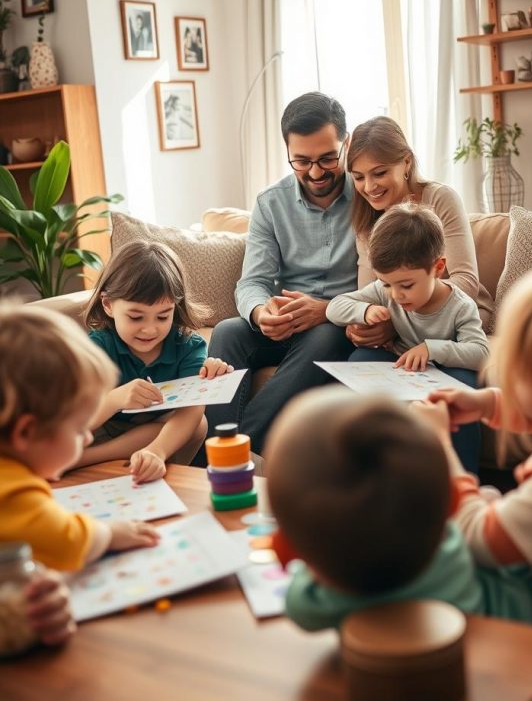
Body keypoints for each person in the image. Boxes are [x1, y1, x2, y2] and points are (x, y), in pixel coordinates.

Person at [264, 386, 532, 632]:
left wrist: (313, 556)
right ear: (452, 503)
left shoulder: (317, 602)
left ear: (285, 550)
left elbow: (295, 599)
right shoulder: (452, 548)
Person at [421, 258, 532, 631]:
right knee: (494, 499)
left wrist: (438, 447)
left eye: (519, 376)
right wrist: (486, 404)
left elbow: (476, 539)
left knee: (446, 565)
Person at [206, 92, 358, 456]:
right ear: (287, 152)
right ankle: (218, 448)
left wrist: (326, 308)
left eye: (327, 158)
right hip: (286, 322)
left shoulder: (369, 194)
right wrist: (261, 313)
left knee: (324, 337)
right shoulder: (270, 203)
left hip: (337, 322)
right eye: (302, 161)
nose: (316, 172)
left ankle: (231, 456)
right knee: (228, 331)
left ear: (347, 143)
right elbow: (253, 282)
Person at [326, 203, 489, 471]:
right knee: (361, 359)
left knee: (461, 394)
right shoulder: (385, 291)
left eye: (406, 285)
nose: (395, 295)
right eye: (387, 284)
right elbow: (335, 307)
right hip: (400, 367)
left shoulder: (460, 305)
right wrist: (364, 310)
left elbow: (481, 353)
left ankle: (463, 479)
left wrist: (431, 348)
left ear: (437, 268)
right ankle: (360, 469)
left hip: (445, 369)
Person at [0, 305, 160, 571]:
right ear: (26, 433)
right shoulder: (14, 493)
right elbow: (68, 540)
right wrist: (109, 534)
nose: (88, 438)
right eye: (78, 429)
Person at [82, 241, 233, 482]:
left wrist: (156, 450)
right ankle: (87, 458)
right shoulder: (97, 346)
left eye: (163, 316)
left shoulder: (189, 345)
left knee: (197, 423)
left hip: (155, 437)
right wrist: (115, 400)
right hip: (101, 428)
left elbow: (193, 411)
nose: (150, 329)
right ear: (108, 305)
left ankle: (97, 459)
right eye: (135, 317)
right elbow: (76, 421)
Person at [346, 116, 493, 355]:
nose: (369, 187)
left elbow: (466, 280)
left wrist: (399, 322)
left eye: (379, 173)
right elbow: (370, 292)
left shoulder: (440, 198)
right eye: (359, 177)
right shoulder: (365, 218)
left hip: (458, 318)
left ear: (406, 162)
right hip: (406, 327)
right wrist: (366, 320)